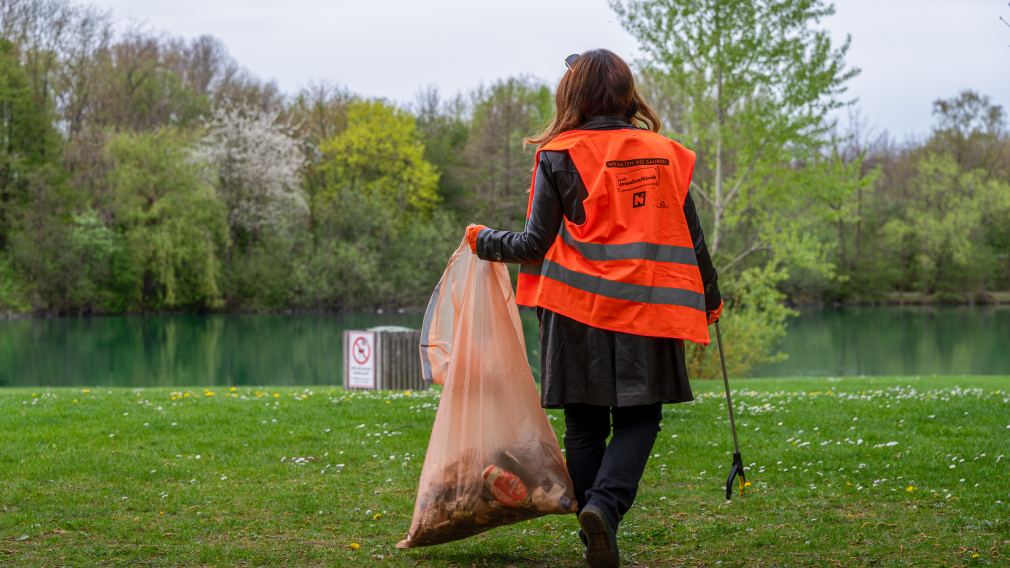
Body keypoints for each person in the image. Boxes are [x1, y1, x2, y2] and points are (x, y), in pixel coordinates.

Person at [464, 49, 722, 568]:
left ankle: (595, 525)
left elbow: (535, 243)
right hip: (647, 310)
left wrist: (484, 239)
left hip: (574, 309)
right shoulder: (666, 153)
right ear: (628, 93)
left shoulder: (559, 153)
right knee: (639, 420)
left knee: (584, 427)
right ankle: (603, 510)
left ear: (573, 96)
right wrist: (710, 299)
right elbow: (691, 239)